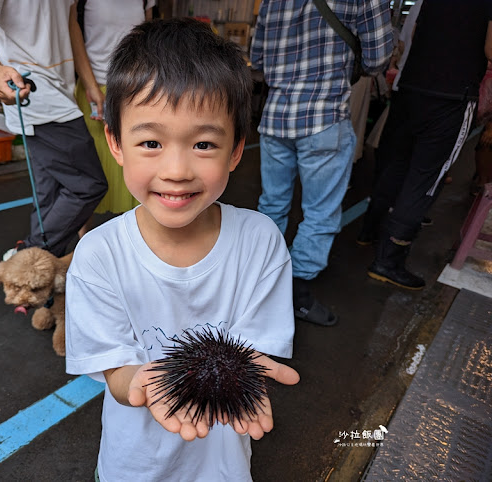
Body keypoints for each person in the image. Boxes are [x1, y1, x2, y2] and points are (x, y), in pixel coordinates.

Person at [65, 18, 300, 482]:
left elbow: (252, 352)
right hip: (131, 465)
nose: (176, 170)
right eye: (151, 142)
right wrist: (140, 383)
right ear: (115, 143)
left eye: (204, 143)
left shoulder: (260, 241)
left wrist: (235, 375)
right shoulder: (98, 256)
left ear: (236, 151)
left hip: (222, 466)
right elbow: (115, 371)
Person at [250, 0, 393, 326]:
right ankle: (296, 295)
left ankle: (257, 282)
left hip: (276, 118)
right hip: (324, 119)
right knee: (320, 213)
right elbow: (377, 59)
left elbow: (256, 59)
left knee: (272, 204)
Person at [358, 0, 492, 289]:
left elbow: (416, 34)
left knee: (395, 165)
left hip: (412, 88)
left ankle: (369, 231)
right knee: (425, 179)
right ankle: (388, 259)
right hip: (451, 97)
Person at [0, 1, 108, 259]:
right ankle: (28, 255)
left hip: (63, 88)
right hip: (30, 88)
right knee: (88, 184)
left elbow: (70, 23)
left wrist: (89, 83)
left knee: (49, 198)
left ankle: (39, 285)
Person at [71, 0, 155, 215]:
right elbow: (74, 35)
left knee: (137, 160)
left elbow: (147, 39)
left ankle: (136, 236)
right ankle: (85, 241)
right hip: (94, 87)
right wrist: (91, 85)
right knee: (92, 169)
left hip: (133, 89)